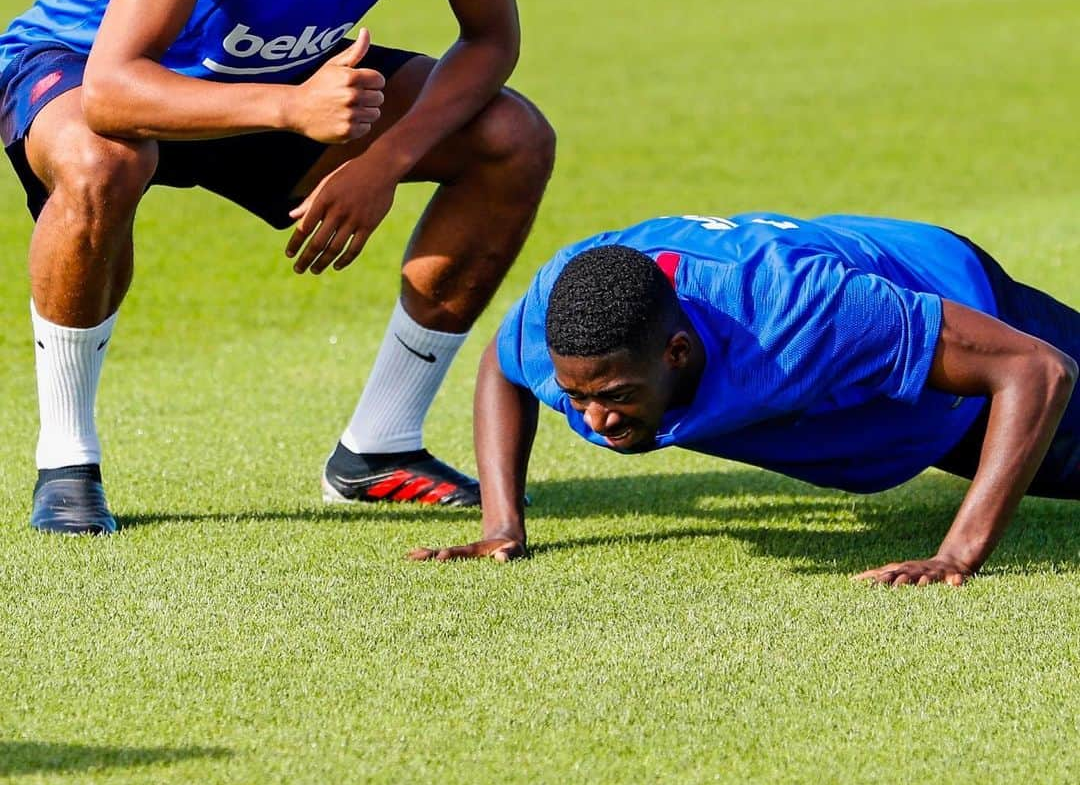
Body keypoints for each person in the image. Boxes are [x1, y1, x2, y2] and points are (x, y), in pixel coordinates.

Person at [0, 0, 555, 535]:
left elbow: (492, 41)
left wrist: (385, 161)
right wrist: (292, 114)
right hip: (89, 68)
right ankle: (66, 462)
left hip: (279, 78)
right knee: (108, 156)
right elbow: (112, 87)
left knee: (511, 136)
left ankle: (380, 447)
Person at [410, 211, 1079, 585]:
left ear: (676, 352)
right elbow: (504, 365)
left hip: (959, 320)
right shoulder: (567, 309)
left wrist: (955, 556)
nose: (594, 420)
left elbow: (1035, 370)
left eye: (612, 395)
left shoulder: (798, 311)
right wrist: (502, 526)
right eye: (574, 395)